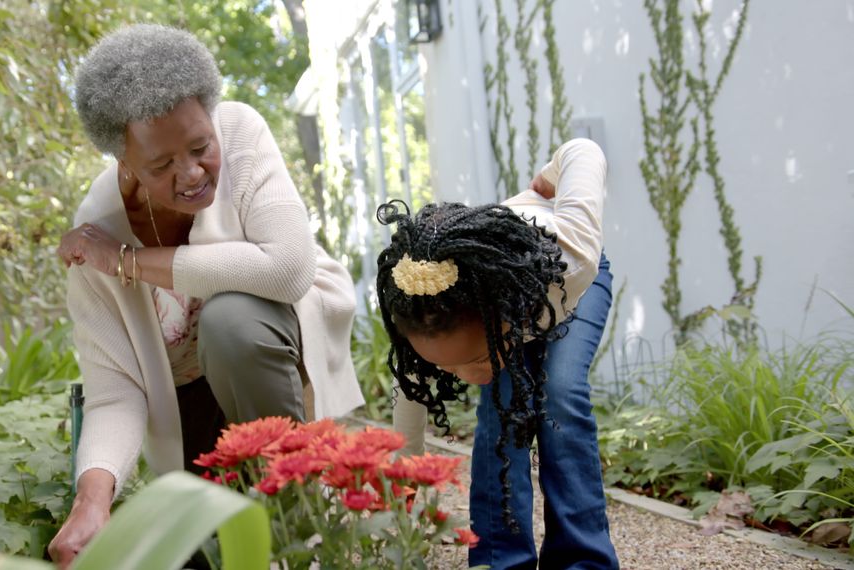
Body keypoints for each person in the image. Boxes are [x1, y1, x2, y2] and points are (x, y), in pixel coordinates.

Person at [49, 24, 364, 567]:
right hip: (187, 399)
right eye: (161, 165)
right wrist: (92, 500)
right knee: (204, 550)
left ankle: (294, 511)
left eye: (200, 147)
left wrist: (128, 262)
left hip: (266, 350)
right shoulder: (94, 230)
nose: (192, 173)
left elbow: (288, 269)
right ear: (123, 162)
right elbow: (114, 388)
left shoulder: (241, 131)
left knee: (232, 320)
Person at [380, 138, 619, 569]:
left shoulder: (573, 257)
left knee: (559, 393)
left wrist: (550, 175)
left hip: (559, 287)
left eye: (473, 361)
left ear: (497, 321)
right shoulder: (424, 312)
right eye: (445, 367)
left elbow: (584, 149)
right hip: (498, 303)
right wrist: (405, 478)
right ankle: (498, 560)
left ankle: (583, 560)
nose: (469, 376)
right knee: (501, 402)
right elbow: (409, 401)